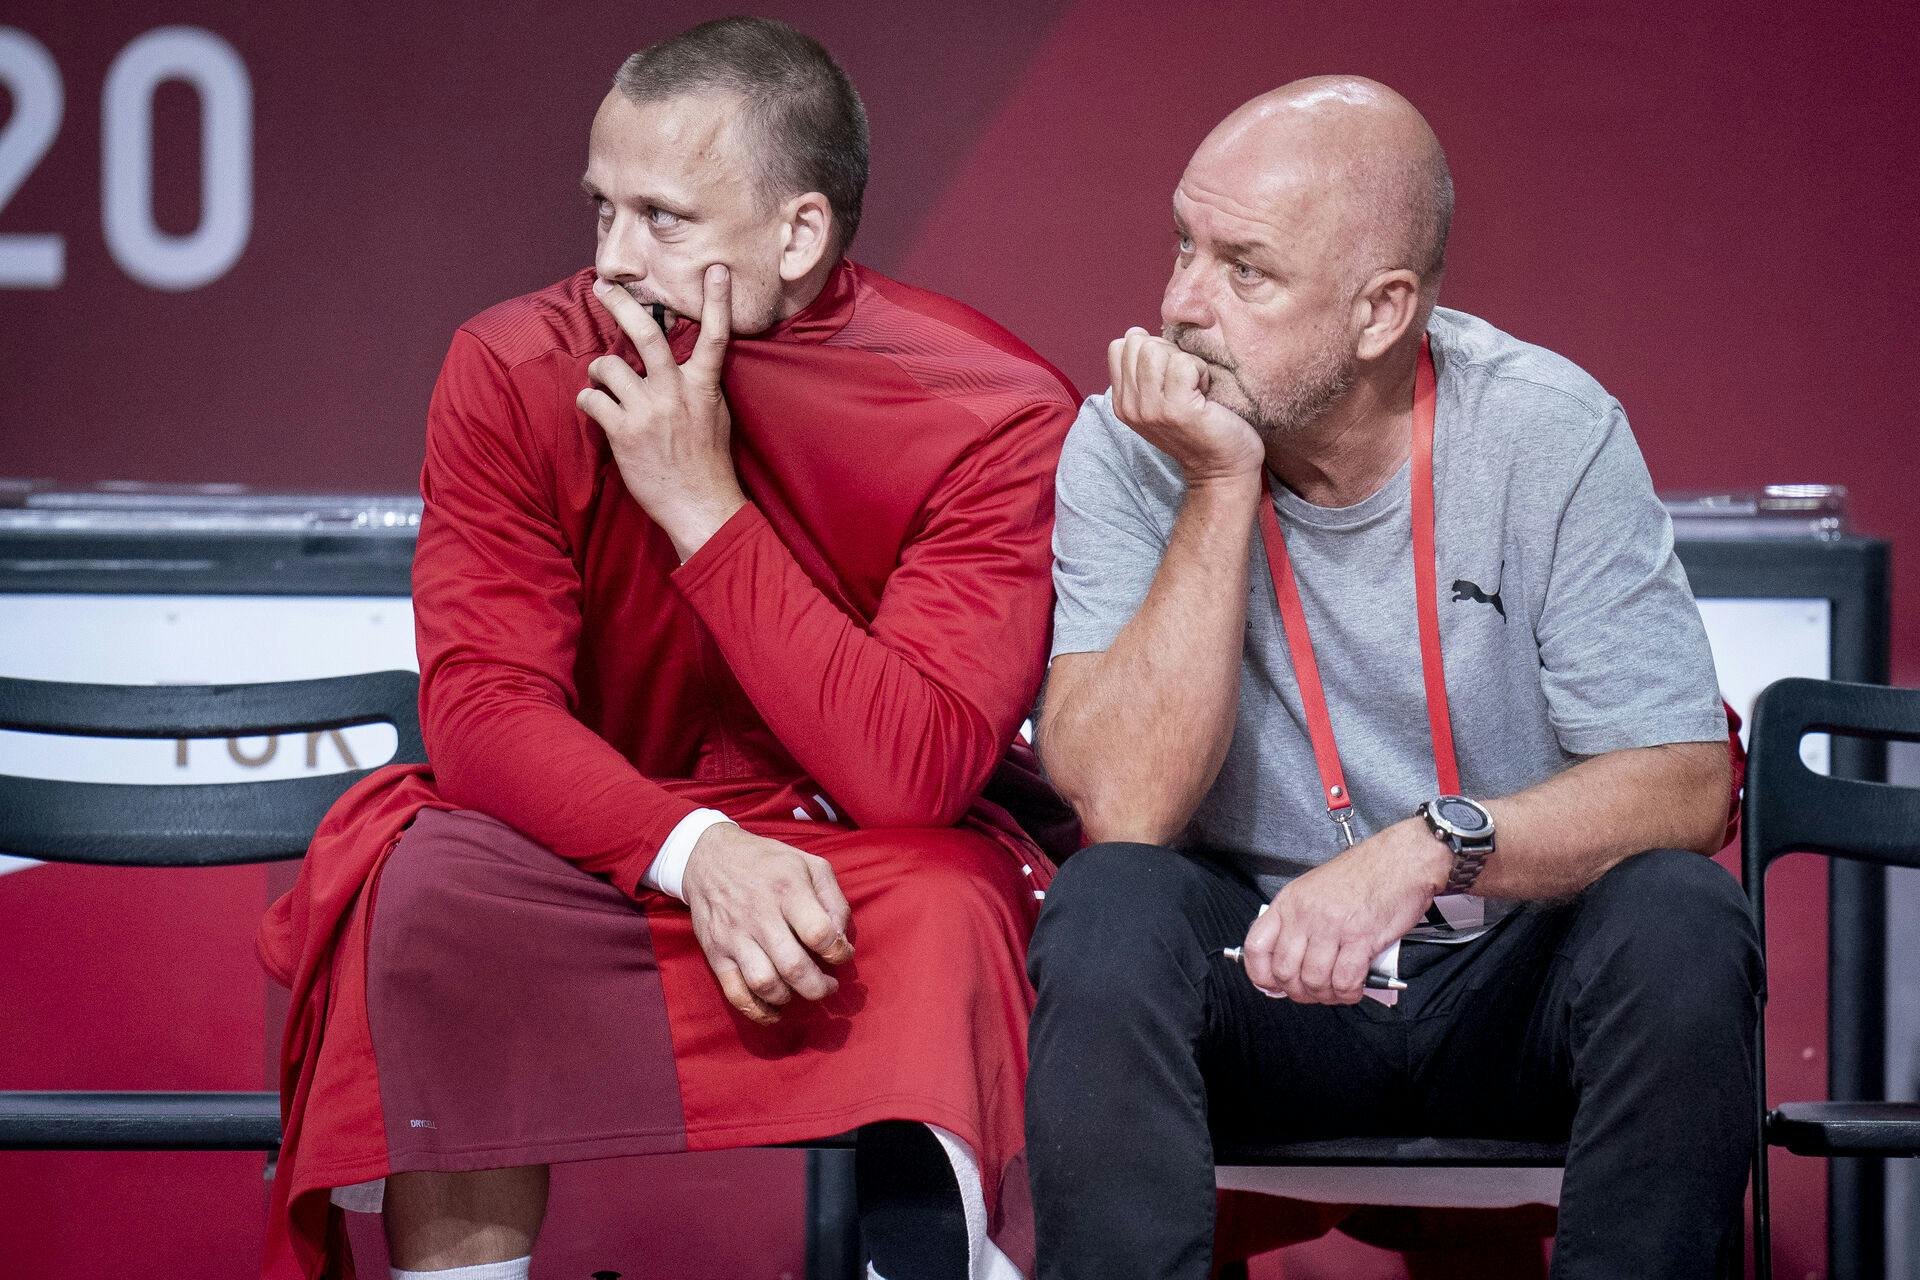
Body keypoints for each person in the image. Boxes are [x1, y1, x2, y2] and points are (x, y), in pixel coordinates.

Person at [257, 18, 1076, 1280]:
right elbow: (480, 707)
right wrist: (694, 852)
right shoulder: (511, 367)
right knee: (427, 891)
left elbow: (911, 771)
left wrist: (703, 509)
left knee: (953, 904)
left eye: (664, 219)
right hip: (599, 845)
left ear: (798, 235)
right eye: (600, 211)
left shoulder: (991, 412)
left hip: (848, 855)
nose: (610, 264)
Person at [1024, 76, 1757, 1279]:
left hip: (1507, 982)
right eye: (1183, 246)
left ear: (1381, 311)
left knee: (1682, 918)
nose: (1179, 306)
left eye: (1243, 270)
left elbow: (1683, 781)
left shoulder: (1546, 431)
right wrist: (1218, 487)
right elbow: (1128, 808)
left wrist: (1426, 847)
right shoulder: (1126, 445)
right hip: (1256, 979)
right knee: (1107, 905)